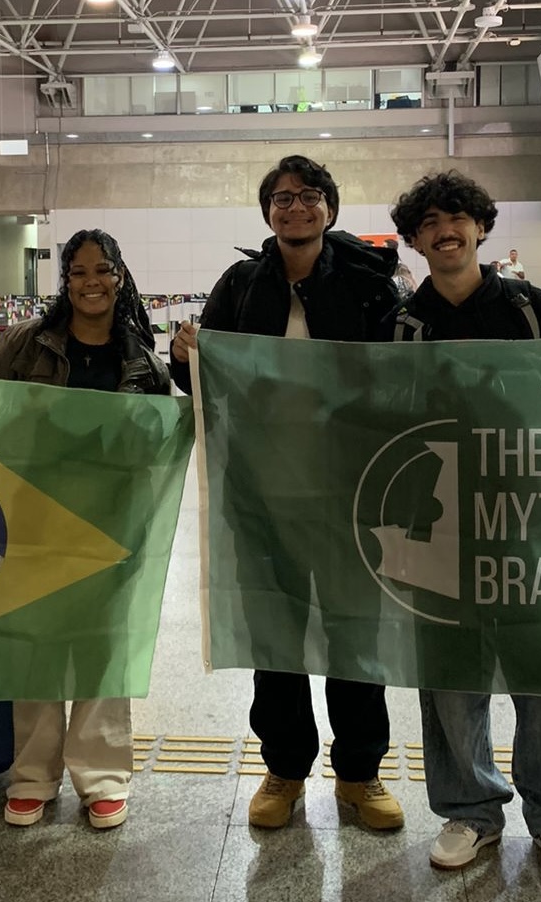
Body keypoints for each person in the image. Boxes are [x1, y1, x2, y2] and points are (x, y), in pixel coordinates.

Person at [169, 155, 404, 832]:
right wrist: (184, 357)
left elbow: (398, 374)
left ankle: (359, 772)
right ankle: (284, 769)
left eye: (307, 196)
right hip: (263, 494)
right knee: (275, 637)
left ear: (329, 207)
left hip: (350, 494)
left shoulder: (367, 283)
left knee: (354, 635)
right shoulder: (241, 285)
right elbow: (201, 379)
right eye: (281, 198)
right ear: (267, 211)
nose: (294, 207)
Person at [387, 169, 541, 887]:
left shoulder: (534, 310)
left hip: (531, 513)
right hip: (439, 517)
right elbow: (361, 405)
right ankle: (469, 810)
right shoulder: (402, 326)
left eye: (457, 218)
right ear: (415, 241)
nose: (445, 231)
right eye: (429, 223)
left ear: (480, 227)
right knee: (450, 672)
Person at [0, 229, 169, 830]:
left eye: (103, 270)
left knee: (101, 647)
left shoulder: (142, 360)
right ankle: (33, 776)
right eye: (79, 272)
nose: (92, 282)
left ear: (120, 277)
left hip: (111, 522)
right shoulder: (25, 346)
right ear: (64, 281)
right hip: (32, 519)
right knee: (34, 647)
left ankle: (102, 777)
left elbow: (162, 437)